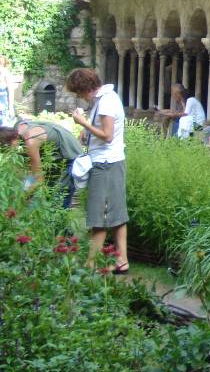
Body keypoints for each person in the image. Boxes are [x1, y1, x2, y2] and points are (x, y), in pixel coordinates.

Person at [65, 68, 129, 274]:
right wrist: (87, 132)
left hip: (106, 164)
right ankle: (122, 262)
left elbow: (108, 135)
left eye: (78, 92)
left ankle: (90, 265)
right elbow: (103, 133)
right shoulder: (104, 99)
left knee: (98, 215)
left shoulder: (107, 102)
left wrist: (83, 122)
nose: (79, 96)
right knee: (116, 213)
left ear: (85, 88)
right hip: (109, 162)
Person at [0, 117, 85, 207]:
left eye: (6, 149)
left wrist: (19, 200)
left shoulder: (31, 141)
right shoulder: (18, 128)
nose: (9, 153)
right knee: (46, 189)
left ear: (10, 142)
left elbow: (39, 180)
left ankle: (57, 214)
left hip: (70, 154)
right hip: (54, 156)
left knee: (58, 198)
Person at [0, 56, 16, 127]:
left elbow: (11, 90)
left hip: (2, 105)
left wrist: (11, 107)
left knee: (4, 126)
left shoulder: (6, 73)